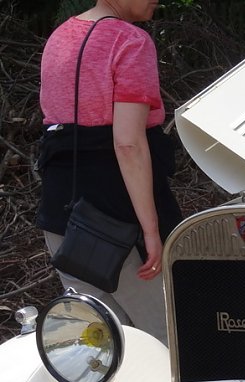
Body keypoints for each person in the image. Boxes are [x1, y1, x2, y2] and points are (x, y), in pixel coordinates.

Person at [37, 0, 182, 345]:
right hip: (118, 219)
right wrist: (152, 229)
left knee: (102, 344)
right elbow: (128, 144)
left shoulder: (59, 37)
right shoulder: (130, 41)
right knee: (168, 340)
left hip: (63, 215)